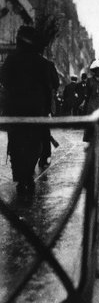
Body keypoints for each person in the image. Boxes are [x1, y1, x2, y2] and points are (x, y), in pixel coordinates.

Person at [0, 26, 57, 193]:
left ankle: (20, 175)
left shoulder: (11, 59)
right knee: (34, 143)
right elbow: (52, 84)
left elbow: (3, 79)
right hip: (36, 110)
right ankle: (28, 174)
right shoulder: (43, 63)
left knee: (16, 142)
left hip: (15, 108)